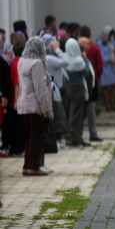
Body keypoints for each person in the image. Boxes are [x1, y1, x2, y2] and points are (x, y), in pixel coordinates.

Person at [17, 37, 53, 176]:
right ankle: (34, 167)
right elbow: (40, 89)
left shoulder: (22, 61)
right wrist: (46, 109)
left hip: (23, 105)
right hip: (35, 106)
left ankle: (27, 166)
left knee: (29, 138)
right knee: (36, 137)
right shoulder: (37, 63)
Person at [42, 35, 69, 147]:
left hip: (52, 89)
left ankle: (56, 139)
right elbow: (67, 61)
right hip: (54, 91)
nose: (56, 44)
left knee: (56, 116)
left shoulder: (48, 58)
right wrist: (58, 49)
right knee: (59, 115)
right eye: (54, 43)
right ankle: (57, 139)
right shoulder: (49, 58)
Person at [63, 38, 91, 147]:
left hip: (69, 87)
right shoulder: (79, 60)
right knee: (78, 115)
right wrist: (85, 59)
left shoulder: (65, 58)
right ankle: (76, 138)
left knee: (71, 112)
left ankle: (72, 137)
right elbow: (86, 72)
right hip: (78, 88)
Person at [80, 26, 104, 141]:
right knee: (91, 109)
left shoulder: (76, 47)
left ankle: (76, 134)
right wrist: (97, 78)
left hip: (80, 82)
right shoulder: (94, 48)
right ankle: (92, 133)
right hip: (92, 82)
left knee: (78, 109)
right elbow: (100, 65)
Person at [98, 26, 115, 112]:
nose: (111, 36)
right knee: (106, 88)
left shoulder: (114, 43)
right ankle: (108, 105)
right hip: (105, 67)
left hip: (113, 68)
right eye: (109, 34)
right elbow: (100, 55)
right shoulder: (100, 43)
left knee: (114, 86)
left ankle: (112, 103)